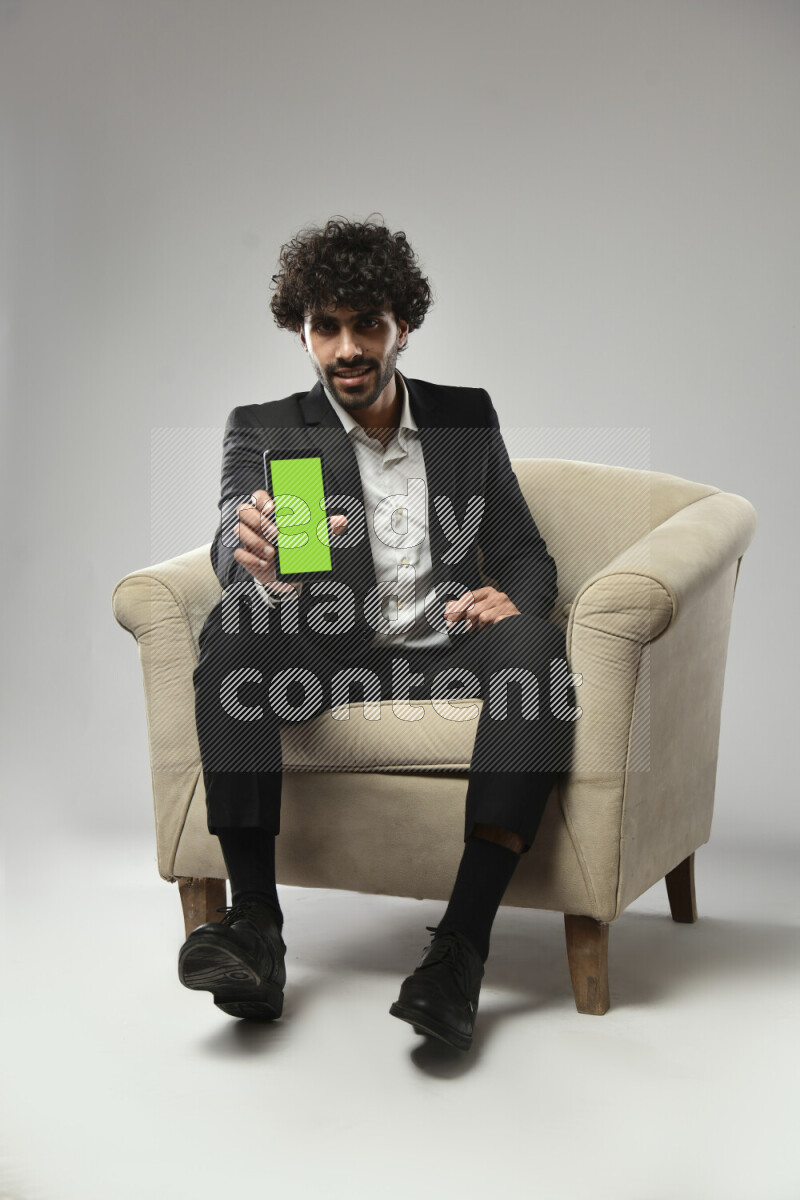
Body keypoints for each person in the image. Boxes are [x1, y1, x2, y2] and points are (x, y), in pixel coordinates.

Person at [179, 216, 576, 1050]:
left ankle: (459, 953)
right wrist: (245, 545)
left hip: (452, 655)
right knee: (240, 615)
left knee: (538, 652)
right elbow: (235, 530)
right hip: (331, 657)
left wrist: (514, 603)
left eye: (369, 325)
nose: (348, 348)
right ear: (303, 331)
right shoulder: (272, 426)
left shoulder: (466, 417)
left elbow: (522, 548)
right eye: (328, 327)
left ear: (405, 325)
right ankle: (254, 925)